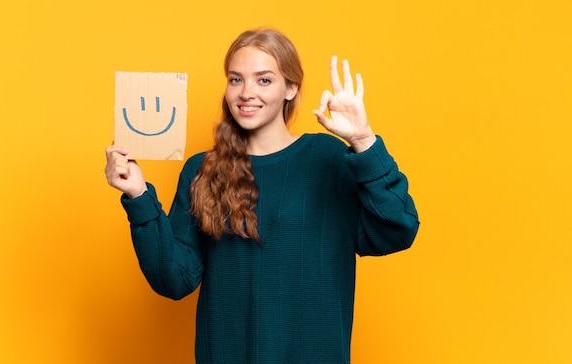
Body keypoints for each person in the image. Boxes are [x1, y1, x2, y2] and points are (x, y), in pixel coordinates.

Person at [105, 28, 419, 364]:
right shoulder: (202, 170)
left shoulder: (329, 158)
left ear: (291, 88)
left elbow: (397, 229)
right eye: (236, 80)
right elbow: (174, 279)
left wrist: (364, 141)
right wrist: (138, 196)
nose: (246, 93)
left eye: (264, 80)